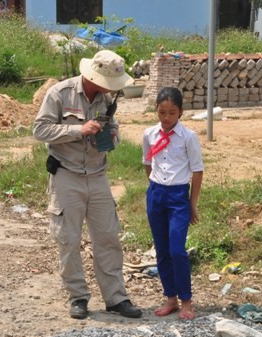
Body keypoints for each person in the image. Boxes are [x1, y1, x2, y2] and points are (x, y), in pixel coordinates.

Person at [33, 50, 142, 320]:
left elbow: (112, 131)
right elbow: (40, 130)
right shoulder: (60, 93)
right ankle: (78, 297)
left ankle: (116, 297)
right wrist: (77, 130)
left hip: (97, 175)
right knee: (68, 239)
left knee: (108, 237)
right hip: (66, 175)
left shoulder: (107, 100)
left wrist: (111, 137)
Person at [142, 87, 203, 320]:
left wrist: (192, 203)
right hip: (156, 194)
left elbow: (197, 171)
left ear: (181, 113)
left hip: (179, 197)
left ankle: (186, 300)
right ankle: (171, 298)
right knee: (162, 250)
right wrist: (155, 188)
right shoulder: (149, 134)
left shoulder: (189, 137)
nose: (166, 118)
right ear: (156, 111)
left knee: (177, 250)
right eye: (162, 112)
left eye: (172, 113)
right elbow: (148, 163)